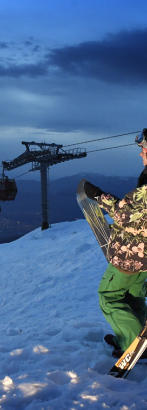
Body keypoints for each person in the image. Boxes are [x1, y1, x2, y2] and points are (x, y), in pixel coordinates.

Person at [84, 130, 147, 357]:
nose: (141, 154)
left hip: (129, 256)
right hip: (144, 258)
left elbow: (124, 212)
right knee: (133, 297)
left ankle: (134, 346)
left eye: (143, 149)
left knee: (109, 298)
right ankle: (132, 335)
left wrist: (97, 195)